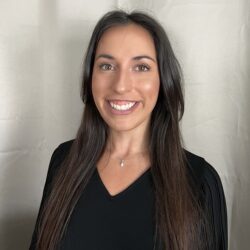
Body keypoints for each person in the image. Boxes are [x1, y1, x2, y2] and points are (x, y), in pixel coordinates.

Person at [29, 10, 228, 250]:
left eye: (141, 67)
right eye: (107, 66)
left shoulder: (201, 182)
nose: (121, 85)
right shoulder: (63, 161)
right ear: (90, 77)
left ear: (164, 80)